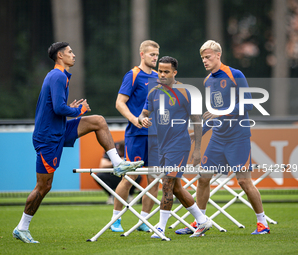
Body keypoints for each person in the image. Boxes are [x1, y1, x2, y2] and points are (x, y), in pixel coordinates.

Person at [12, 42, 143, 243]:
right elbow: (58, 108)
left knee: (98, 121)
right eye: (70, 52)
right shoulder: (57, 75)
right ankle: (22, 227)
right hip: (48, 137)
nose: (74, 55)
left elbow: (58, 108)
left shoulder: (60, 76)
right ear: (59, 56)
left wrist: (71, 110)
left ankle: (117, 163)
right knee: (43, 187)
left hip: (58, 130)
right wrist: (77, 111)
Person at [175, 40, 270, 235]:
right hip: (218, 138)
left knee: (244, 181)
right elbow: (212, 114)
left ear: (219, 55)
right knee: (203, 178)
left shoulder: (235, 75)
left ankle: (263, 224)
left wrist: (222, 113)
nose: (205, 61)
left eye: (208, 57)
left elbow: (248, 105)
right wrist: (197, 133)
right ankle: (199, 222)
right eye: (202, 58)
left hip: (238, 138)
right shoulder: (208, 80)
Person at [138, 56, 212, 238]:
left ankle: (161, 228)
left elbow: (197, 121)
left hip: (179, 145)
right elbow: (144, 113)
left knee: (167, 184)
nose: (162, 75)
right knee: (177, 187)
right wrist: (142, 119)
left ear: (174, 73)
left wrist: (197, 150)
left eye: (166, 72)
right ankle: (203, 221)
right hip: (162, 146)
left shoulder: (186, 92)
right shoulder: (153, 92)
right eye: (160, 71)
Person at [110, 40, 160, 232]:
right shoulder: (133, 75)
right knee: (131, 177)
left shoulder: (159, 77)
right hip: (136, 135)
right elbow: (119, 103)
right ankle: (116, 219)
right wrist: (135, 119)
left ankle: (144, 221)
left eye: (156, 54)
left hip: (156, 136)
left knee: (155, 178)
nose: (155, 58)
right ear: (142, 54)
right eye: (151, 55)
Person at [96, 140, 141, 204]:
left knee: (137, 176)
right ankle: (112, 195)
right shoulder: (111, 149)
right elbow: (102, 165)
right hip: (113, 175)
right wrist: (118, 162)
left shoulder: (133, 149)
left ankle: (130, 195)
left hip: (127, 175)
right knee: (99, 176)